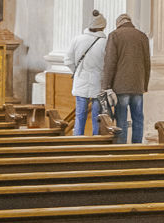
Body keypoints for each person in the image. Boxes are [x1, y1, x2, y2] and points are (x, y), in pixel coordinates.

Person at [102, 12, 151, 144]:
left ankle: (122, 147)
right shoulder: (142, 36)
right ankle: (137, 146)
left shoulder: (114, 35)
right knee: (138, 118)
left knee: (121, 119)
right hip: (138, 86)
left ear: (118, 24)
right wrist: (144, 84)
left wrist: (106, 86)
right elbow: (147, 63)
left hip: (120, 86)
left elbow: (110, 62)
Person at [65, 9, 108, 136]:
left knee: (79, 115)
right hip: (98, 82)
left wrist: (77, 71)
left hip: (81, 80)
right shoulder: (105, 42)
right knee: (97, 117)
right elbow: (108, 64)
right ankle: (96, 143)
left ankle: (77, 143)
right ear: (102, 27)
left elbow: (67, 60)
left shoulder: (77, 39)